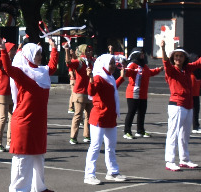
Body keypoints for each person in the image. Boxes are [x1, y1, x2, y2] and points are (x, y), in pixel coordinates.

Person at [3, 42, 55, 192]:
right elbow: (7, 69)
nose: (40, 57)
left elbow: (52, 65)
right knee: (22, 156)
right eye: (37, 54)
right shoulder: (22, 72)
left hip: (39, 121)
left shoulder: (44, 72)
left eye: (40, 54)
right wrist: (2, 51)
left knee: (39, 155)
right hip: (24, 121)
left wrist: (54, 48)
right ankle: (16, 189)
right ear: (28, 55)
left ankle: (39, 186)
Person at [161, 39, 201, 171]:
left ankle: (184, 159)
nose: (178, 58)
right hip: (176, 105)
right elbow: (165, 62)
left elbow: (200, 62)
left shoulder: (187, 69)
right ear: (173, 58)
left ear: (184, 58)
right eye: (176, 56)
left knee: (185, 134)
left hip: (188, 105)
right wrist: (163, 48)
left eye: (181, 56)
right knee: (173, 133)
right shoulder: (171, 70)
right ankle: (170, 161)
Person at [83, 53, 127, 184]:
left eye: (114, 63)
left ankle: (112, 172)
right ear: (103, 64)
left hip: (110, 117)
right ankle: (89, 175)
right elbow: (91, 92)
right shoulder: (98, 77)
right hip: (99, 117)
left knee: (111, 146)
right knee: (95, 146)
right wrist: (90, 79)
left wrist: (121, 78)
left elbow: (111, 90)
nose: (113, 66)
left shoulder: (109, 78)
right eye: (111, 63)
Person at [122, 50, 162, 139]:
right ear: (136, 55)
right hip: (133, 93)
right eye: (141, 54)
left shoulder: (144, 66)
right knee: (131, 112)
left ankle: (140, 131)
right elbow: (127, 72)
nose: (143, 56)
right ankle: (127, 131)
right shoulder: (132, 64)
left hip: (143, 94)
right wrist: (124, 69)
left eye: (143, 54)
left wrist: (158, 70)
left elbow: (150, 73)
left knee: (142, 113)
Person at [67, 46, 92, 145]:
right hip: (80, 93)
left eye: (89, 50)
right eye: (86, 50)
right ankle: (73, 137)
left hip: (90, 93)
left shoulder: (91, 62)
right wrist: (66, 51)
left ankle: (87, 135)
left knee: (89, 116)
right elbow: (69, 63)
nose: (88, 52)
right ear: (81, 51)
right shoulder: (79, 62)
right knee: (78, 115)